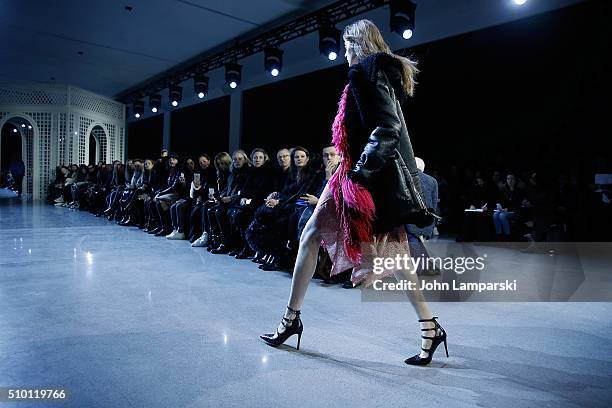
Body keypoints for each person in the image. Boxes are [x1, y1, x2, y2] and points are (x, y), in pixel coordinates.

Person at [260, 19, 448, 366]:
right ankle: (429, 328)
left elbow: (386, 129)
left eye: (346, 46)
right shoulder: (376, 74)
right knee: (320, 236)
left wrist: (359, 174)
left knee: (324, 238)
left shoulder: (365, 73)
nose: (343, 54)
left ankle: (291, 321)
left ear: (357, 44)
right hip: (362, 175)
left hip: (360, 177)